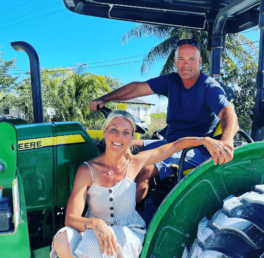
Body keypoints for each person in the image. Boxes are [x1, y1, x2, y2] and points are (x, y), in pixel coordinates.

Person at [50, 110, 232, 258]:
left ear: (131, 138)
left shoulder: (135, 162)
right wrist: (95, 223)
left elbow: (175, 145)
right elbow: (71, 219)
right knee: (63, 238)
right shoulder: (87, 170)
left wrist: (205, 140)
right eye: (114, 129)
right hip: (94, 228)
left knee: (98, 243)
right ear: (104, 131)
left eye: (126, 132)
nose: (119, 136)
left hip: (128, 231)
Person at [89, 39, 239, 203]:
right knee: (119, 146)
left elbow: (228, 112)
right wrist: (105, 98)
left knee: (144, 168)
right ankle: (100, 198)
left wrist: (226, 143)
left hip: (195, 149)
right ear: (175, 62)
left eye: (191, 59)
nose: (186, 64)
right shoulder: (171, 81)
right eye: (181, 59)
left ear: (200, 62)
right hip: (171, 143)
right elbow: (137, 88)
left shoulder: (209, 87)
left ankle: (122, 220)